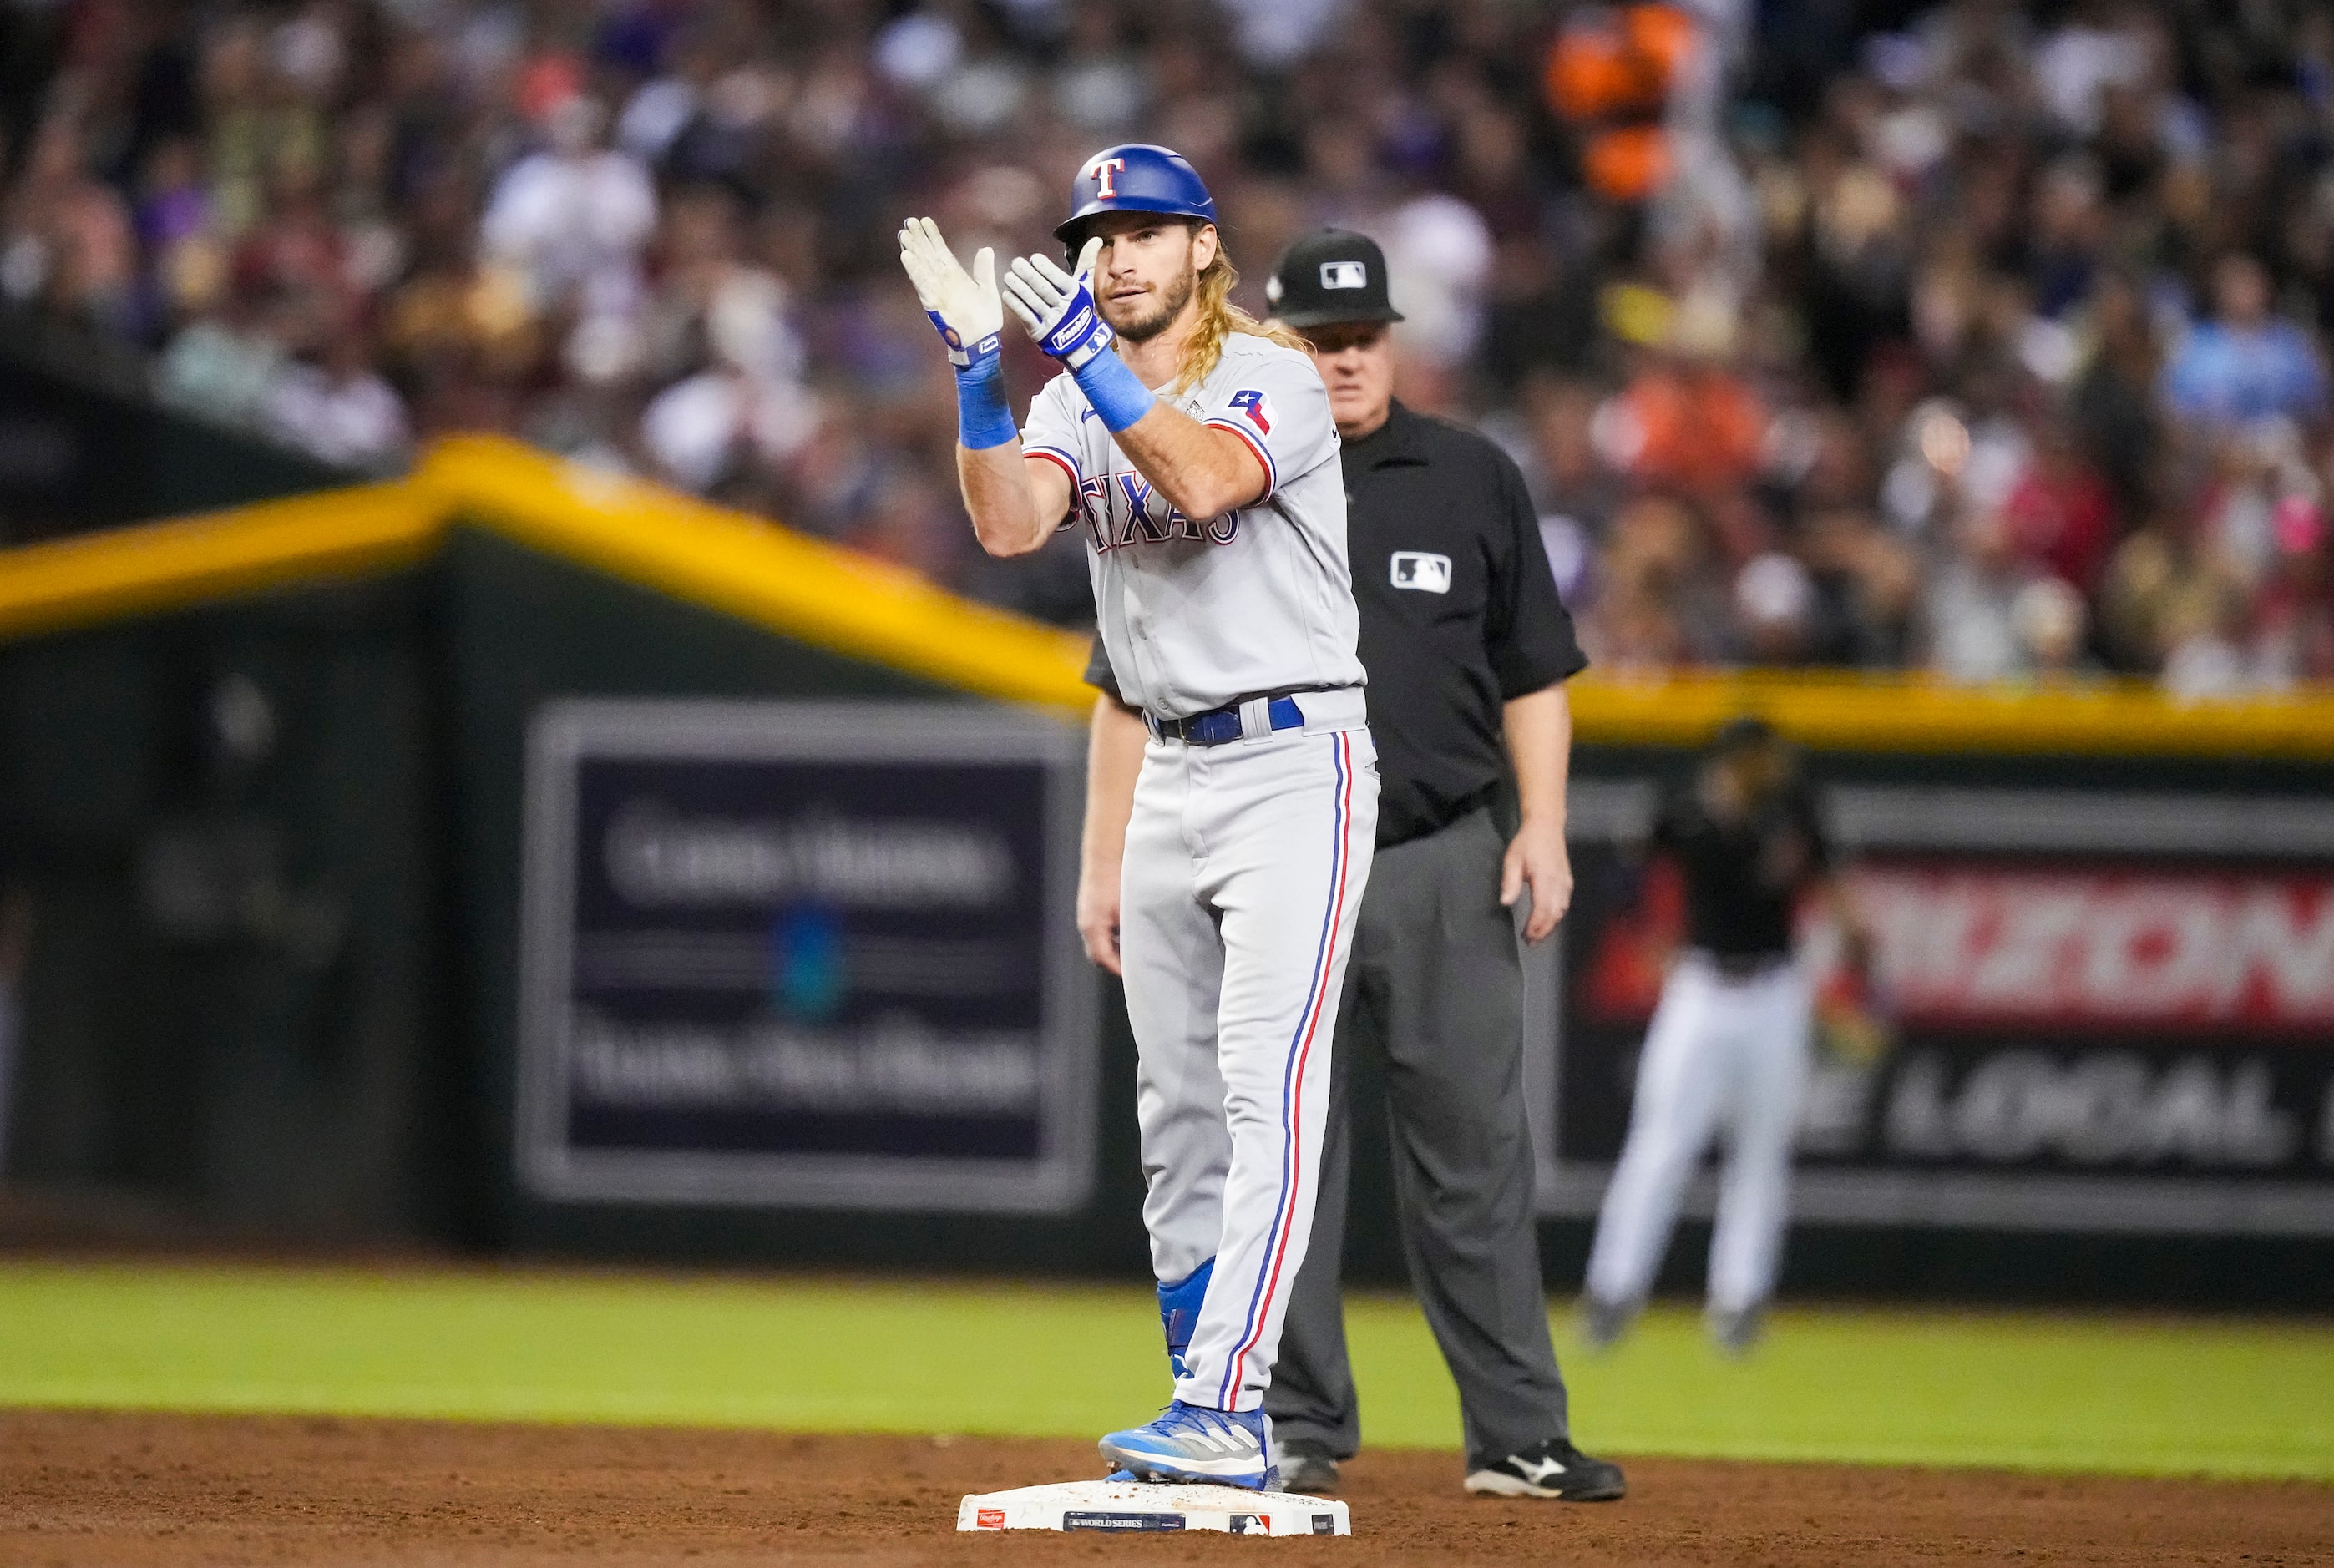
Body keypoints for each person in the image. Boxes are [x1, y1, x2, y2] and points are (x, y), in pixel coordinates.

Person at [1085, 229, 1623, 1504]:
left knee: (1472, 1156)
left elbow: (1533, 670)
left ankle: (1514, 1434)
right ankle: (1289, 1420)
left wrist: (1537, 822)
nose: (1341, 360)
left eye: (1359, 339)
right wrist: (1105, 855)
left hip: (1434, 854)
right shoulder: (1208, 454)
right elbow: (1124, 685)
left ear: (1392, 342)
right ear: (1276, 338)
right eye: (1318, 340)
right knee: (1276, 1149)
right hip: (1262, 840)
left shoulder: (1466, 475)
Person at [899, 145, 1378, 1493]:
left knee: (1263, 1090)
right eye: (1098, 235)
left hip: (1297, 762)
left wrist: (1079, 368)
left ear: (1203, 251)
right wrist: (979, 378)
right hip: (1170, 765)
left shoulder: (1273, 372)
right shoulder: (1065, 387)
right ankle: (1198, 1399)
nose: (1115, 255)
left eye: (1144, 233)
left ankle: (1234, 1409)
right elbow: (1008, 526)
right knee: (1174, 1115)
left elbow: (1204, 483)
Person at [1580, 716, 1868, 1354]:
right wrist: (1649, 943)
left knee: (1761, 1152)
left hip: (1774, 991)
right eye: (1762, 758)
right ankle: (1612, 1293)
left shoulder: (1792, 809)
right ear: (1733, 760)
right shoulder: (1683, 810)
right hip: (1701, 991)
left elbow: (1831, 887)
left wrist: (1856, 957)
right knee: (1660, 1144)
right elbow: (1622, 878)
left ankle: (1738, 1303)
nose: (1775, 768)